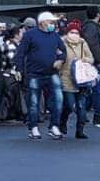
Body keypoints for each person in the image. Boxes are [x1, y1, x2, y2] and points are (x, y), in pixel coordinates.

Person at [16, 11, 66, 140]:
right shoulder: (30, 35)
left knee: (58, 99)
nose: (53, 24)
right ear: (43, 22)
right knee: (33, 102)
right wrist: (19, 69)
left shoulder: (54, 36)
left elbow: (62, 50)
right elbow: (21, 53)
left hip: (51, 72)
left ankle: (54, 125)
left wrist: (60, 59)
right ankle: (33, 127)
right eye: (51, 22)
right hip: (34, 73)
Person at [58, 20, 95, 140]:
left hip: (82, 79)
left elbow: (91, 58)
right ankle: (62, 122)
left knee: (81, 106)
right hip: (66, 78)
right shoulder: (62, 43)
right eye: (72, 32)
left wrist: (85, 60)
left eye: (76, 32)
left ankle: (80, 130)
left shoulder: (83, 43)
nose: (74, 34)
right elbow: (59, 58)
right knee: (69, 105)